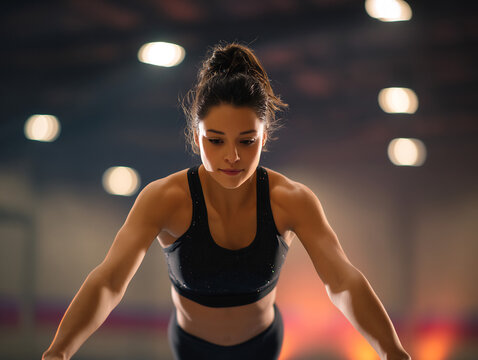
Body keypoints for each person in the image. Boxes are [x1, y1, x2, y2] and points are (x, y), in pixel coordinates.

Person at [42, 43, 411, 360]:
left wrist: (392, 351)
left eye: (247, 140)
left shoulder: (291, 200)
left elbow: (342, 281)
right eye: (216, 140)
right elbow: (109, 281)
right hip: (192, 348)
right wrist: (58, 351)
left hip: (262, 346)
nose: (232, 156)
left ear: (265, 137)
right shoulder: (165, 199)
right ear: (196, 135)